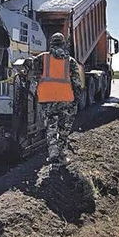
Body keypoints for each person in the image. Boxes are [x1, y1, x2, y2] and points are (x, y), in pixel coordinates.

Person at [33, 32, 82, 165]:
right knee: (64, 129)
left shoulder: (42, 58)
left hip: (47, 99)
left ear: (51, 43)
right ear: (64, 44)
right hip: (66, 99)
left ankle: (53, 154)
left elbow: (32, 71)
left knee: (51, 126)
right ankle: (62, 155)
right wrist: (77, 99)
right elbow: (77, 83)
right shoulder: (70, 61)